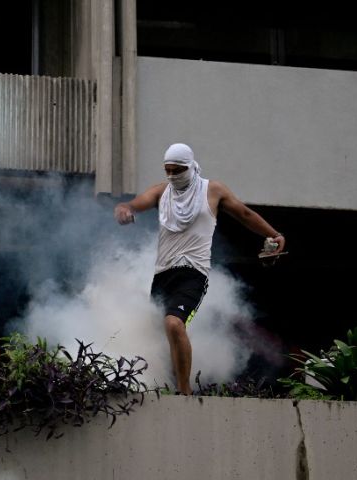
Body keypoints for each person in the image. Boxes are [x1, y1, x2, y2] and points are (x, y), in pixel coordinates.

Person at [114, 143, 285, 394]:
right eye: (168, 170)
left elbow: (245, 214)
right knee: (157, 336)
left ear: (190, 165)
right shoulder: (162, 191)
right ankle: (160, 387)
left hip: (194, 275)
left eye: (178, 170)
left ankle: (185, 394)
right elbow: (138, 203)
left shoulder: (212, 190)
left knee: (174, 324)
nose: (173, 175)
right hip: (163, 275)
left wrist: (274, 235)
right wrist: (125, 208)